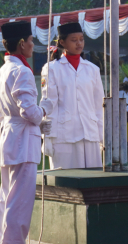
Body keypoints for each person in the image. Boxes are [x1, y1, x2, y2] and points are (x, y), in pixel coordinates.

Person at [0, 20, 49, 244]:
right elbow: (30, 112)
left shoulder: (5, 69)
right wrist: (45, 110)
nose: (33, 45)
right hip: (23, 139)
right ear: (22, 43)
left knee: (7, 199)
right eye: (31, 41)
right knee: (19, 201)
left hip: (9, 136)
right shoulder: (21, 71)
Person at [39, 22, 105, 169]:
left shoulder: (92, 69)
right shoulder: (52, 68)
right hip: (64, 135)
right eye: (74, 40)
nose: (79, 43)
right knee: (66, 180)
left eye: (81, 39)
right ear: (62, 42)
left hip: (90, 132)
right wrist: (48, 138)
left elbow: (99, 106)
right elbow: (49, 104)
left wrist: (102, 136)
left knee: (92, 180)